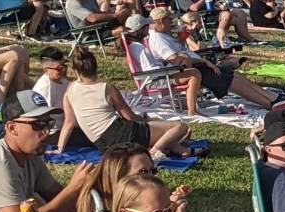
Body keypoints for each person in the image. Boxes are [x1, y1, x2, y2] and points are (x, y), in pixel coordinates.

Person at [58, 46, 191, 160]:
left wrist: (59, 148)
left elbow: (69, 122)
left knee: (161, 132)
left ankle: (181, 150)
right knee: (180, 127)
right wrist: (149, 121)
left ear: (76, 71)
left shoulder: (70, 90)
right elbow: (130, 117)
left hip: (102, 145)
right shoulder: (106, 88)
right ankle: (155, 151)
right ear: (95, 67)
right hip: (122, 133)